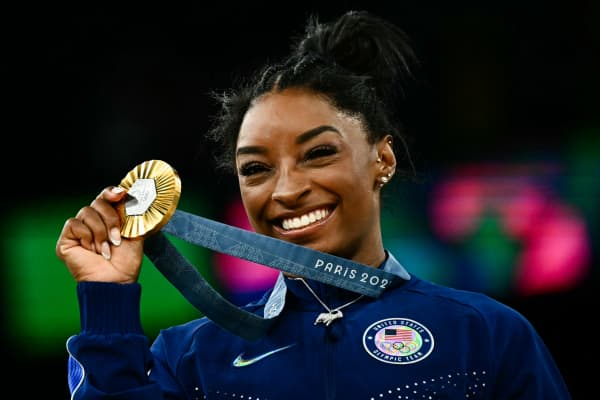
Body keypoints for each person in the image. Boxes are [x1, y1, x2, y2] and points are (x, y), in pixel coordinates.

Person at [55, 10, 571, 399]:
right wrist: (107, 300)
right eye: (256, 169)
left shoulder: (485, 334)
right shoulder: (190, 358)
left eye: (318, 153)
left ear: (382, 158)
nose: (285, 190)